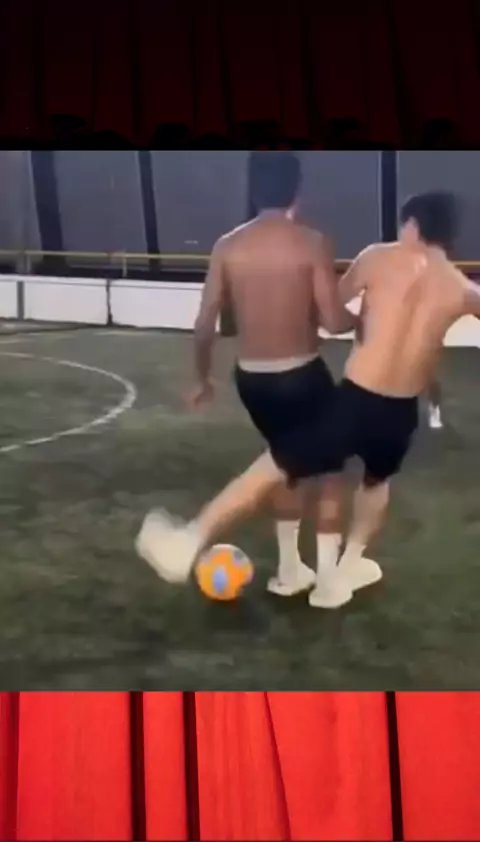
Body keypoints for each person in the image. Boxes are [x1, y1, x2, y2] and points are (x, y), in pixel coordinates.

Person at [136, 190, 476, 608]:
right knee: (376, 482)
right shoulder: (463, 289)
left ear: (412, 224)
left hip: (354, 403)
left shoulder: (377, 258)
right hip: (401, 413)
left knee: (273, 466)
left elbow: (327, 309)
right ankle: (347, 568)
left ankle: (188, 540)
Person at [139, 152, 357, 603]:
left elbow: (205, 323)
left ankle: (291, 570)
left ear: (254, 192)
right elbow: (335, 322)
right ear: (298, 191)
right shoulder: (311, 242)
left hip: (252, 382)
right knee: (331, 472)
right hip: (302, 377)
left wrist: (201, 379)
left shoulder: (227, 246)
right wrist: (364, 318)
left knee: (288, 469)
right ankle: (327, 583)